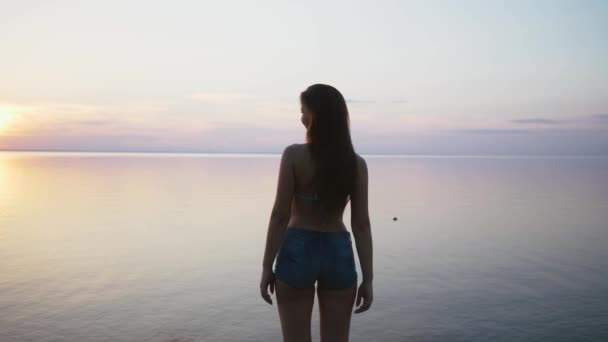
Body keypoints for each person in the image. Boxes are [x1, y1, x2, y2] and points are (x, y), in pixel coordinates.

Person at [260, 84, 374, 342]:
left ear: (315, 115)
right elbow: (362, 225)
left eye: (304, 111)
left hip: (297, 248)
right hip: (338, 250)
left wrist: (267, 265)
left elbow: (279, 215)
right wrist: (368, 278)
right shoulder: (356, 165)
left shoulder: (293, 156)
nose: (301, 117)